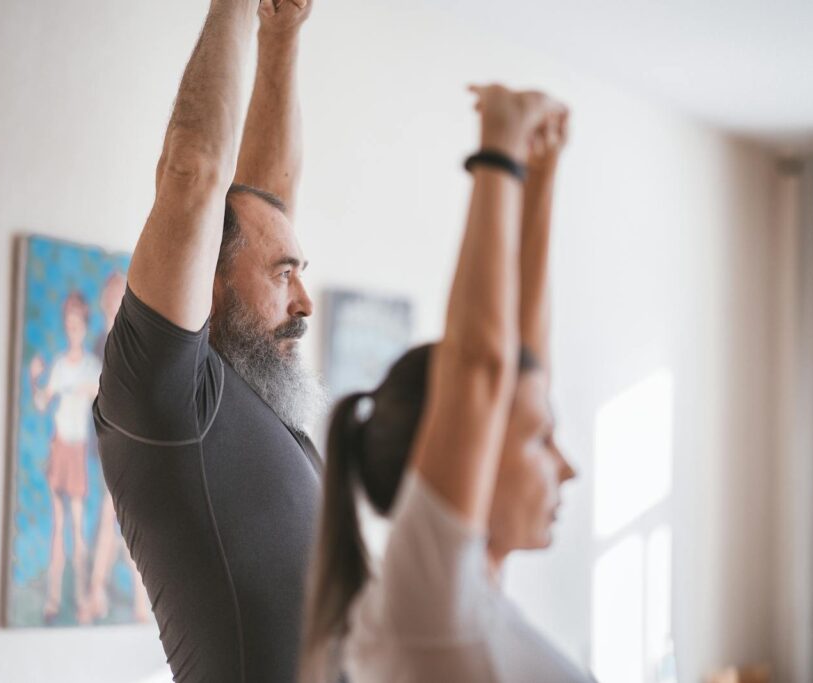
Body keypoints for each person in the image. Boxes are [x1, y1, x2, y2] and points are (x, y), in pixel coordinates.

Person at [301, 84, 594, 682]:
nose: (567, 467)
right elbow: (482, 366)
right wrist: (498, 154)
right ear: (470, 450)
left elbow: (515, 368)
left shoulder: (464, 606)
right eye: (542, 441)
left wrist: (540, 178)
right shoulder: (425, 611)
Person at [94, 1, 324, 680]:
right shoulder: (162, 398)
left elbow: (266, 198)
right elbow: (195, 173)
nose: (305, 301)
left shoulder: (255, 393)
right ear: (209, 281)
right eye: (284, 275)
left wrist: (279, 37)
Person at [29, 291, 101, 622]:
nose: (73, 329)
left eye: (78, 324)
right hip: (60, 446)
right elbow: (42, 402)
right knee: (59, 527)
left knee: (77, 527)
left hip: (77, 448)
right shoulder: (59, 365)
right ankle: (54, 600)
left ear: (84, 326)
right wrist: (34, 379)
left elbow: (99, 395)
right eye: (69, 324)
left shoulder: (92, 367)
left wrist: (83, 389)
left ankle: (82, 596)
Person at [83, 272, 150, 624]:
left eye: (119, 293)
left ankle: (101, 594)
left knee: (118, 522)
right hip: (108, 444)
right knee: (115, 521)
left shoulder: (134, 346)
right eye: (110, 293)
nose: (114, 299)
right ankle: (108, 596)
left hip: (129, 447)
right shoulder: (99, 344)